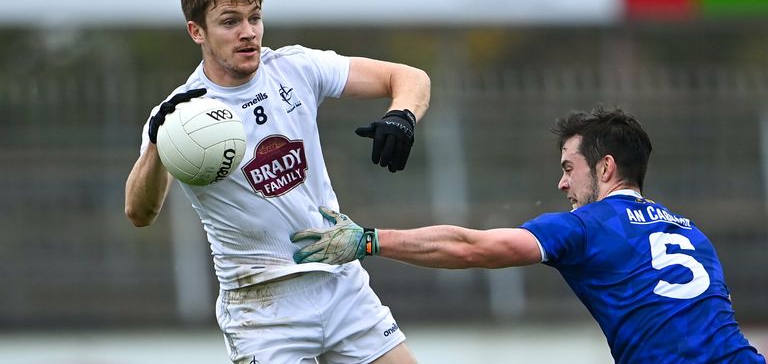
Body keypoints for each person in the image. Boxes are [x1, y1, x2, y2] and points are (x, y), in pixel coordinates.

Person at [124, 0, 429, 364]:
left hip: (341, 280)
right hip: (261, 308)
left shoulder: (294, 68)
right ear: (197, 31)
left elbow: (410, 77)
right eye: (230, 22)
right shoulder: (180, 116)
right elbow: (139, 212)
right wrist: (159, 147)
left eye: (255, 18)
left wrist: (402, 116)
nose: (248, 33)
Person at [292, 106, 767, 364]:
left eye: (568, 168)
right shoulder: (691, 233)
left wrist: (369, 240)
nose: (562, 184)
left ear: (605, 167)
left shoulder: (587, 226)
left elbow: (472, 248)